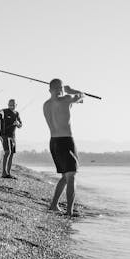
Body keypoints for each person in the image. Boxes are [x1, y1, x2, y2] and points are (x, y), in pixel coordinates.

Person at [43, 79, 84, 216]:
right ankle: (69, 212)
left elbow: (71, 103)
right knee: (71, 175)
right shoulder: (66, 99)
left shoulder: (46, 105)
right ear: (60, 89)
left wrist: (70, 97)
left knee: (66, 176)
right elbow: (81, 96)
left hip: (53, 142)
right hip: (66, 140)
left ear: (50, 90)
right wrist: (71, 90)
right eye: (60, 88)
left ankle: (54, 205)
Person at [0, 99, 22, 178]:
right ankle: (4, 173)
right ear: (8, 105)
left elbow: (20, 125)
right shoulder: (3, 111)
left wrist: (18, 124)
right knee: (7, 152)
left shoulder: (16, 113)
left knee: (11, 154)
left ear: (16, 105)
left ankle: (8, 173)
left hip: (13, 136)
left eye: (13, 105)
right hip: (4, 135)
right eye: (10, 105)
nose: (11, 107)